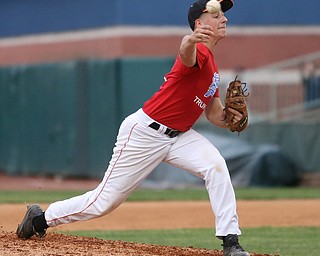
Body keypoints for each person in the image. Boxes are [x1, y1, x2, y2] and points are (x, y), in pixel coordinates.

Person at [17, 0, 249, 255]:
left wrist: (230, 118)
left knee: (216, 166)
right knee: (103, 202)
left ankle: (231, 241)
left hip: (180, 136)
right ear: (199, 24)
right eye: (216, 15)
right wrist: (191, 39)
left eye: (223, 15)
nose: (224, 19)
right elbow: (185, 51)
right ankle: (39, 219)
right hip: (145, 133)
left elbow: (214, 113)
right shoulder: (198, 52)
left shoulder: (213, 67)